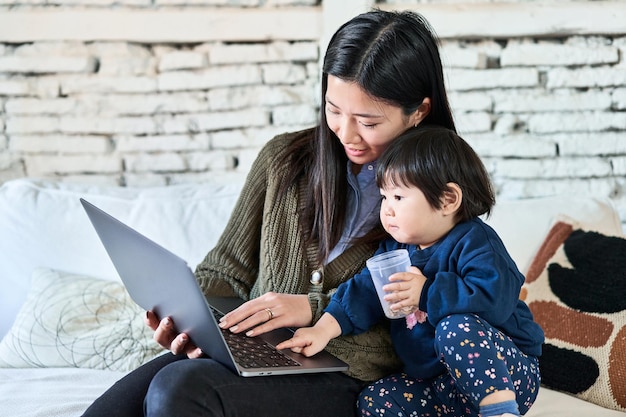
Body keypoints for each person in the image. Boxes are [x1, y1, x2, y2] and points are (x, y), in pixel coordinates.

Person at [82, 9, 456, 417]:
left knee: (179, 390)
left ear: (418, 111)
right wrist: (190, 317)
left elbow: (428, 327)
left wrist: (315, 308)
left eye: (367, 121)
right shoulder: (284, 160)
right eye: (334, 110)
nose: (346, 134)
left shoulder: (442, 197)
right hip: (251, 354)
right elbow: (225, 272)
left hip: (351, 377)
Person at [277, 127, 544, 417]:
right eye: (384, 197)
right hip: (440, 384)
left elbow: (494, 300)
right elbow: (363, 293)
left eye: (399, 198)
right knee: (374, 401)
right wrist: (321, 330)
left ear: (447, 200)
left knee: (455, 328)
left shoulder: (476, 243)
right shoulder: (396, 251)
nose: (387, 210)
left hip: (506, 375)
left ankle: (499, 412)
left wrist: (426, 292)